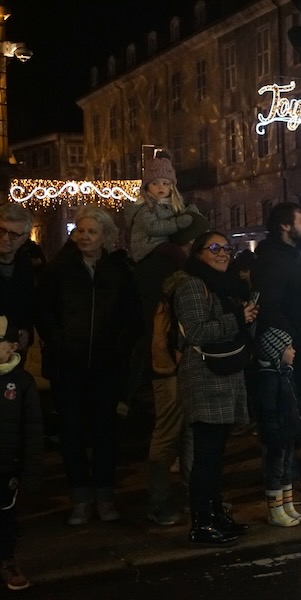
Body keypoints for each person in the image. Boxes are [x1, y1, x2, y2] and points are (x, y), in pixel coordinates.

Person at [35, 206, 140, 526]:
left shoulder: (118, 270)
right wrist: (59, 341)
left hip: (107, 366)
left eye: (91, 231)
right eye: (80, 231)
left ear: (105, 235)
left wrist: (119, 346)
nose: (84, 237)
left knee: (106, 432)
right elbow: (44, 312)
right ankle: (80, 498)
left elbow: (133, 315)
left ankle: (105, 496)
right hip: (69, 366)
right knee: (72, 433)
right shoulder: (59, 269)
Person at [175, 231, 257, 546]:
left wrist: (245, 317)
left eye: (226, 248)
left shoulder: (221, 285)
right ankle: (202, 522)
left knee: (217, 453)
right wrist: (237, 318)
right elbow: (195, 332)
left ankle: (216, 514)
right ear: (198, 253)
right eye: (214, 248)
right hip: (204, 374)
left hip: (223, 372)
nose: (222, 253)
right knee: (206, 454)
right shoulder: (192, 285)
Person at [142, 215, 210, 526]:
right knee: (168, 436)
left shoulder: (176, 268)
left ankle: (194, 497)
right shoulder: (174, 272)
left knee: (189, 435)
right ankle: (160, 502)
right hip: (170, 367)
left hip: (178, 364)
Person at [252, 203, 301, 497]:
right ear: (284, 225)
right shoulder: (273, 261)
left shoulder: (293, 257)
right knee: (283, 419)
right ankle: (281, 482)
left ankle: (288, 480)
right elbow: (270, 308)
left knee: (293, 415)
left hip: (297, 349)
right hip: (285, 352)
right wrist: (290, 340)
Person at [0, 315, 42, 591]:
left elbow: (33, 430)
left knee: (5, 517)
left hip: (6, 466)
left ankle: (6, 561)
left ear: (12, 347)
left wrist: (32, 471)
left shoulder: (22, 382)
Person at [252, 327, 301, 527]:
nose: (293, 351)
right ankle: (275, 511)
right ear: (276, 352)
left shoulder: (285, 375)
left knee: (286, 470)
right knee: (275, 471)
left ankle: (287, 505)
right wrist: (273, 435)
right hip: (277, 435)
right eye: (288, 348)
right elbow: (268, 412)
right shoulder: (269, 379)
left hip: (287, 431)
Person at [125, 153, 199, 262]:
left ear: (171, 186)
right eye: (155, 184)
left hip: (164, 245)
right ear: (147, 187)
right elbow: (152, 227)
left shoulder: (171, 205)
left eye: (165, 183)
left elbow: (182, 212)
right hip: (148, 248)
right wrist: (176, 223)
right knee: (175, 252)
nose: (160, 187)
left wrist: (192, 213)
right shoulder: (145, 207)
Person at [0, 203, 36, 353]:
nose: (5, 238)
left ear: (25, 238)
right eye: (1, 231)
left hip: (15, 349)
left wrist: (26, 332)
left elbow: (29, 304)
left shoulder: (26, 264)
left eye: (13, 235)